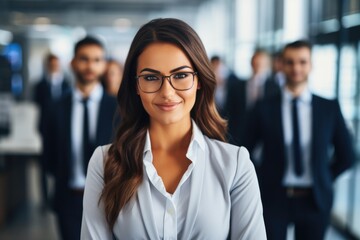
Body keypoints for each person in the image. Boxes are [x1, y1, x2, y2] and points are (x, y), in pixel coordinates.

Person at [81, 18, 266, 239]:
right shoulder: (104, 162)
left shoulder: (235, 165)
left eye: (180, 75)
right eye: (151, 77)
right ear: (136, 86)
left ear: (199, 81)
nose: (167, 92)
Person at [243, 40, 355, 240]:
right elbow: (244, 150)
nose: (296, 68)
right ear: (281, 65)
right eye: (290, 62)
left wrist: (325, 177)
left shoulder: (328, 108)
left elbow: (347, 155)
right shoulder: (264, 107)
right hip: (274, 197)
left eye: (302, 62)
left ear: (311, 65)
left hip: (314, 200)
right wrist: (261, 178)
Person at [44, 36, 117, 240]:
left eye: (96, 60)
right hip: (69, 199)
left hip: (108, 200)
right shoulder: (55, 107)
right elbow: (48, 156)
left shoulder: (118, 108)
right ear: (73, 62)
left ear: (103, 64)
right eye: (84, 59)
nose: (90, 66)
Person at [33, 53, 71, 208]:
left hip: (63, 130)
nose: (54, 67)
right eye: (52, 64)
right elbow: (36, 107)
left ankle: (59, 194)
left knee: (62, 161)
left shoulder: (67, 84)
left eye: (57, 64)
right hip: (45, 130)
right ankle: (45, 199)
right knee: (44, 165)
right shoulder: (40, 85)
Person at [210, 55, 247, 146]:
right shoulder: (207, 85)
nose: (217, 72)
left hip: (232, 130)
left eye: (219, 68)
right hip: (213, 130)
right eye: (214, 69)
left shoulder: (235, 83)